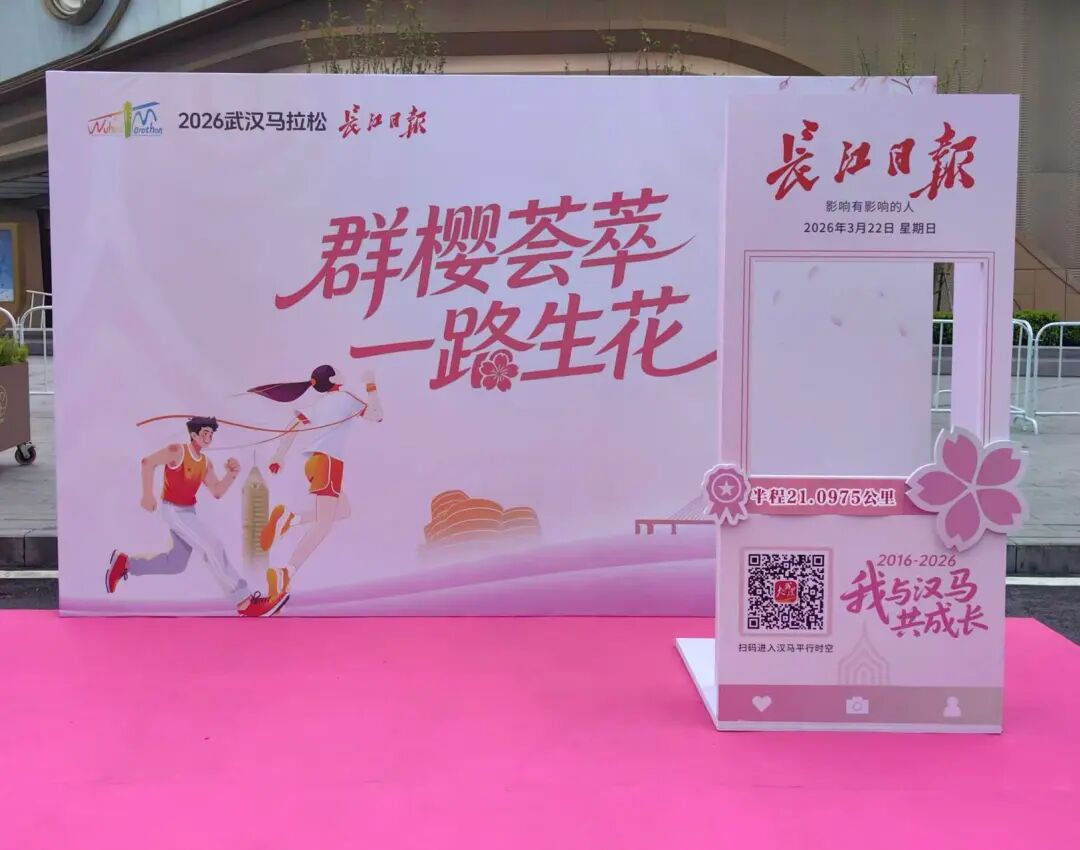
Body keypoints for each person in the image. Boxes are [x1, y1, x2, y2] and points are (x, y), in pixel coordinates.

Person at [106, 416, 289, 617]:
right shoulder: (177, 451)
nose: (208, 437)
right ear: (193, 434)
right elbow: (148, 462)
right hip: (174, 511)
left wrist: (231, 474)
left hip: (188, 512)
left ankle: (125, 564)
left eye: (211, 434)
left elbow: (217, 491)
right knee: (213, 547)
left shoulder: (205, 463)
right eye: (205, 433)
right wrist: (147, 495)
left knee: (175, 563)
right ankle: (245, 602)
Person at [251, 365, 382, 595]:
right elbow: (376, 415)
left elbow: (293, 426)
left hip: (314, 463)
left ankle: (291, 519)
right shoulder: (345, 398)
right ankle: (286, 572)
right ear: (334, 379)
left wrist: (279, 456)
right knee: (324, 525)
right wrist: (371, 385)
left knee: (343, 510)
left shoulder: (319, 405)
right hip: (329, 463)